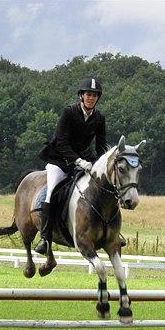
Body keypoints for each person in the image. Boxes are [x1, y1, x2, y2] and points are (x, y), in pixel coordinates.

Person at [36, 77, 108, 254]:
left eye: (94, 95)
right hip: (60, 161)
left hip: (84, 162)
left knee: (101, 190)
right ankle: (45, 239)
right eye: (88, 94)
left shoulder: (99, 118)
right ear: (81, 96)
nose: (91, 98)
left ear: (98, 98)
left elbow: (100, 145)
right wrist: (78, 161)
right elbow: (62, 142)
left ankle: (110, 233)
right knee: (51, 192)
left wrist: (102, 163)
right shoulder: (69, 113)